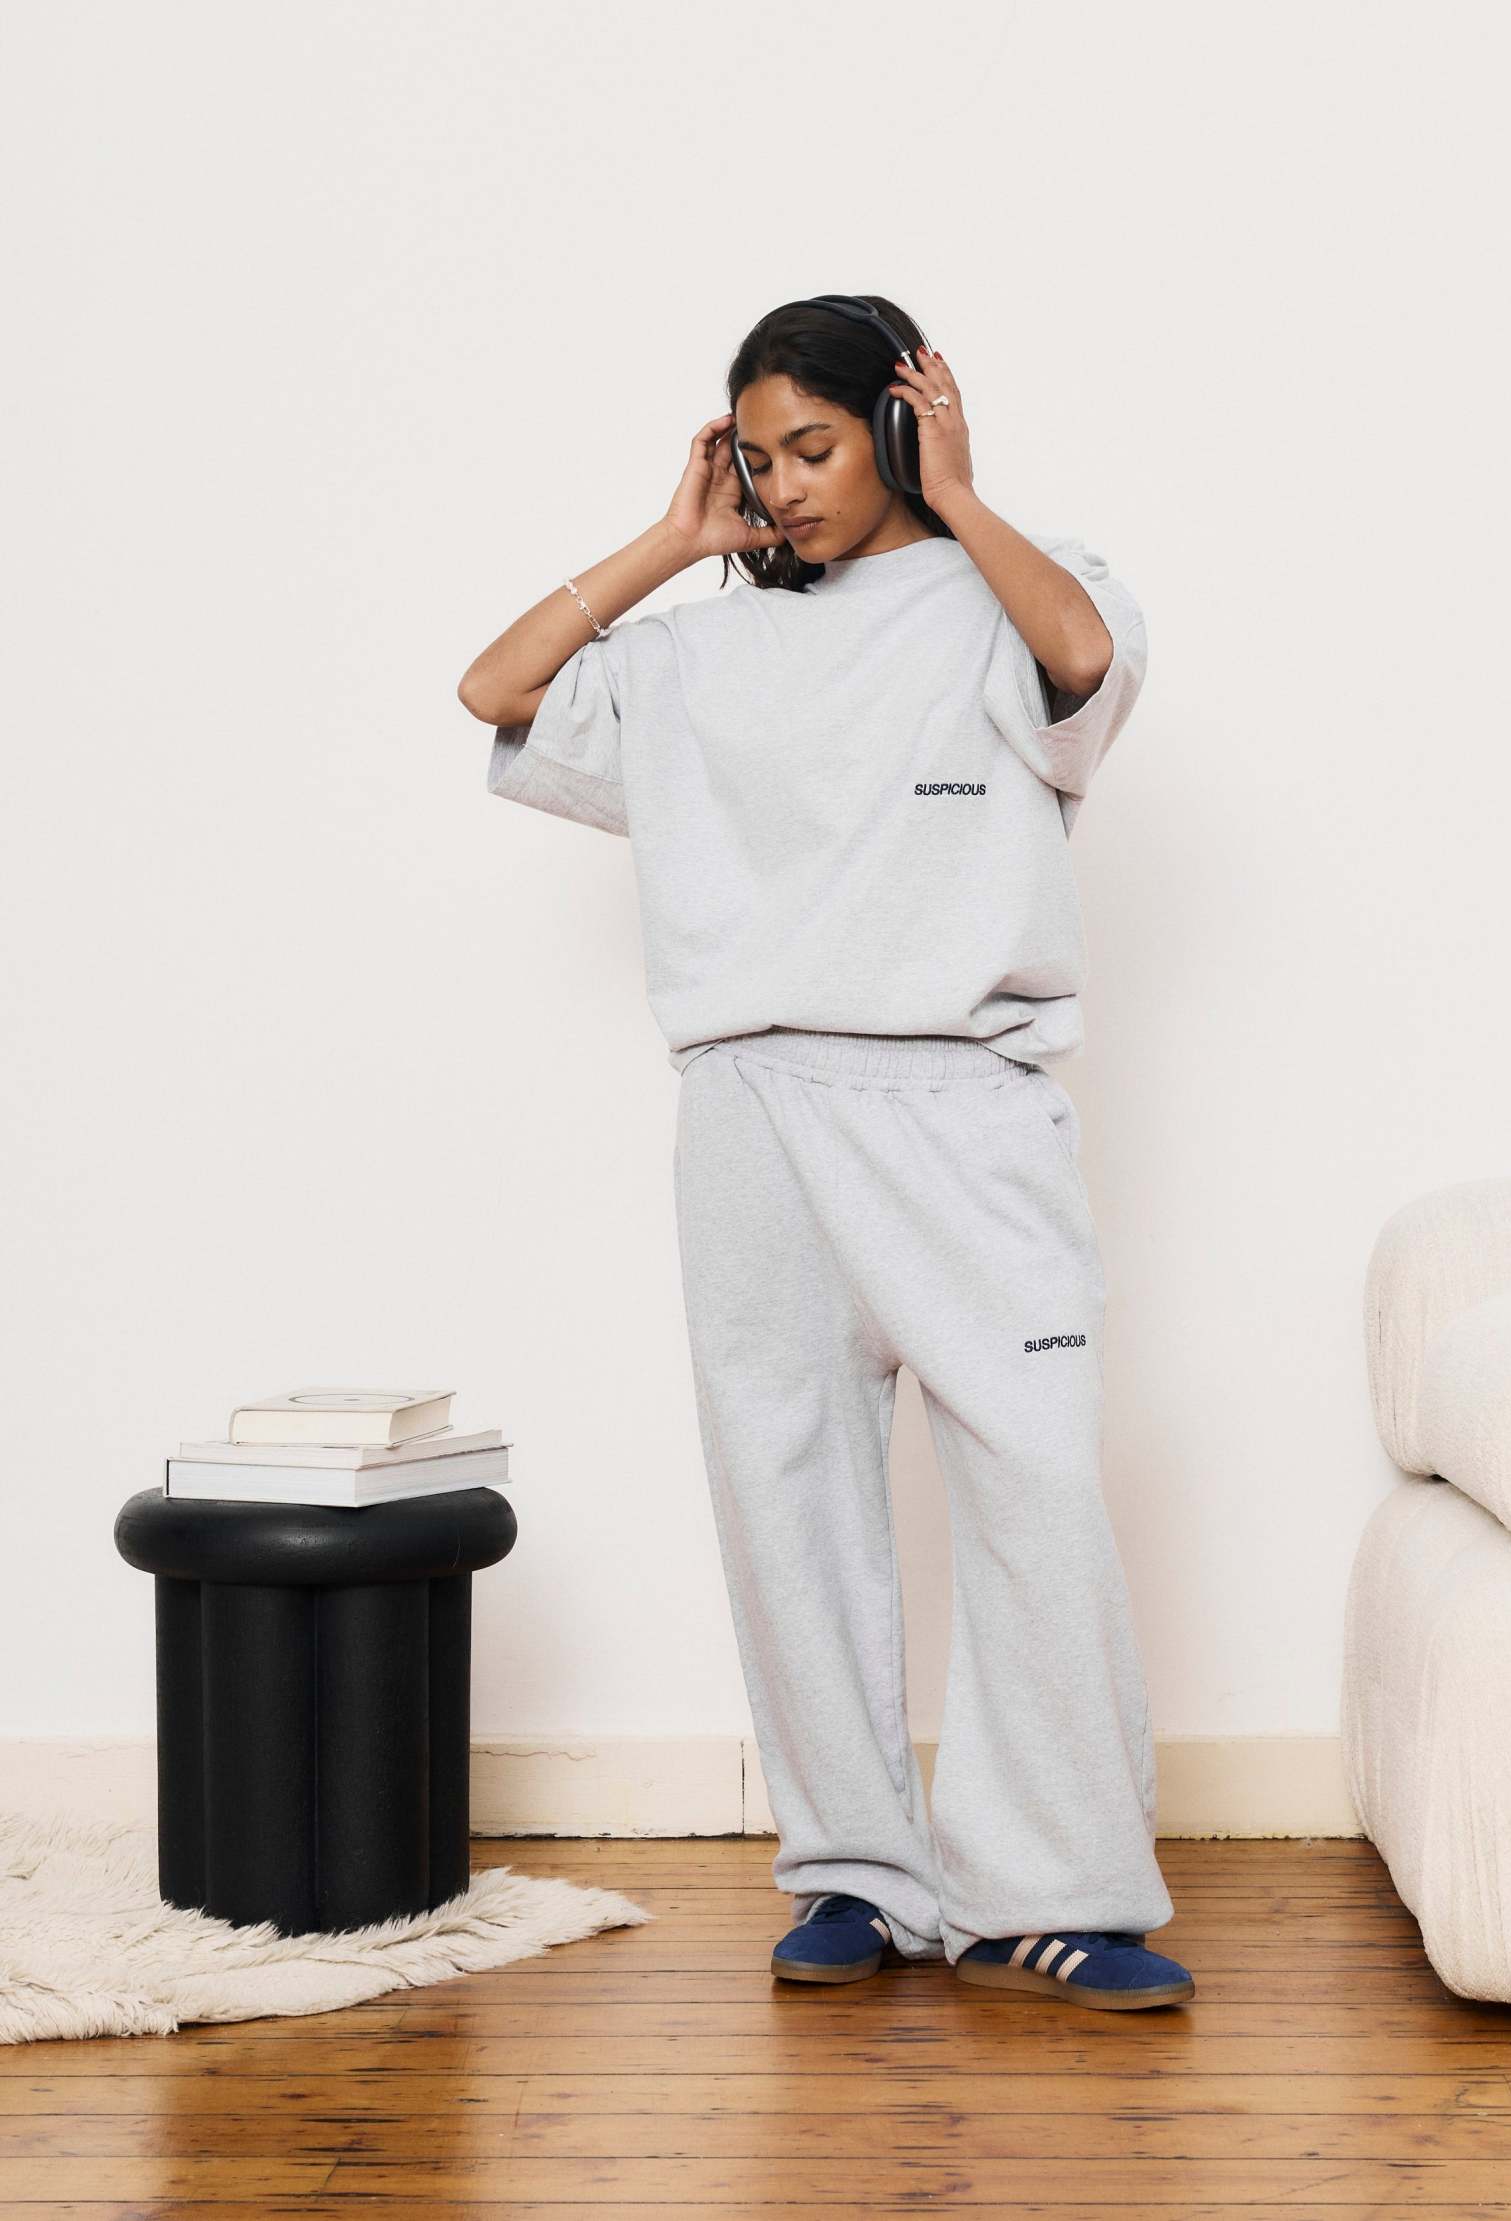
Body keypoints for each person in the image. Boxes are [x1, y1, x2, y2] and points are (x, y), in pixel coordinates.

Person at [457, 294, 1192, 2012]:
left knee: (1038, 1480)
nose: (783, 484)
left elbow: (1086, 662)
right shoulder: (698, 651)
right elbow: (495, 690)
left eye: (815, 447)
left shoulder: (1013, 591)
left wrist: (966, 494)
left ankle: (1053, 1889)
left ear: (901, 428)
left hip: (966, 1099)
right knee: (789, 1491)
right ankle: (855, 1871)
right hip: (757, 1107)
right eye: (757, 454)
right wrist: (674, 541)